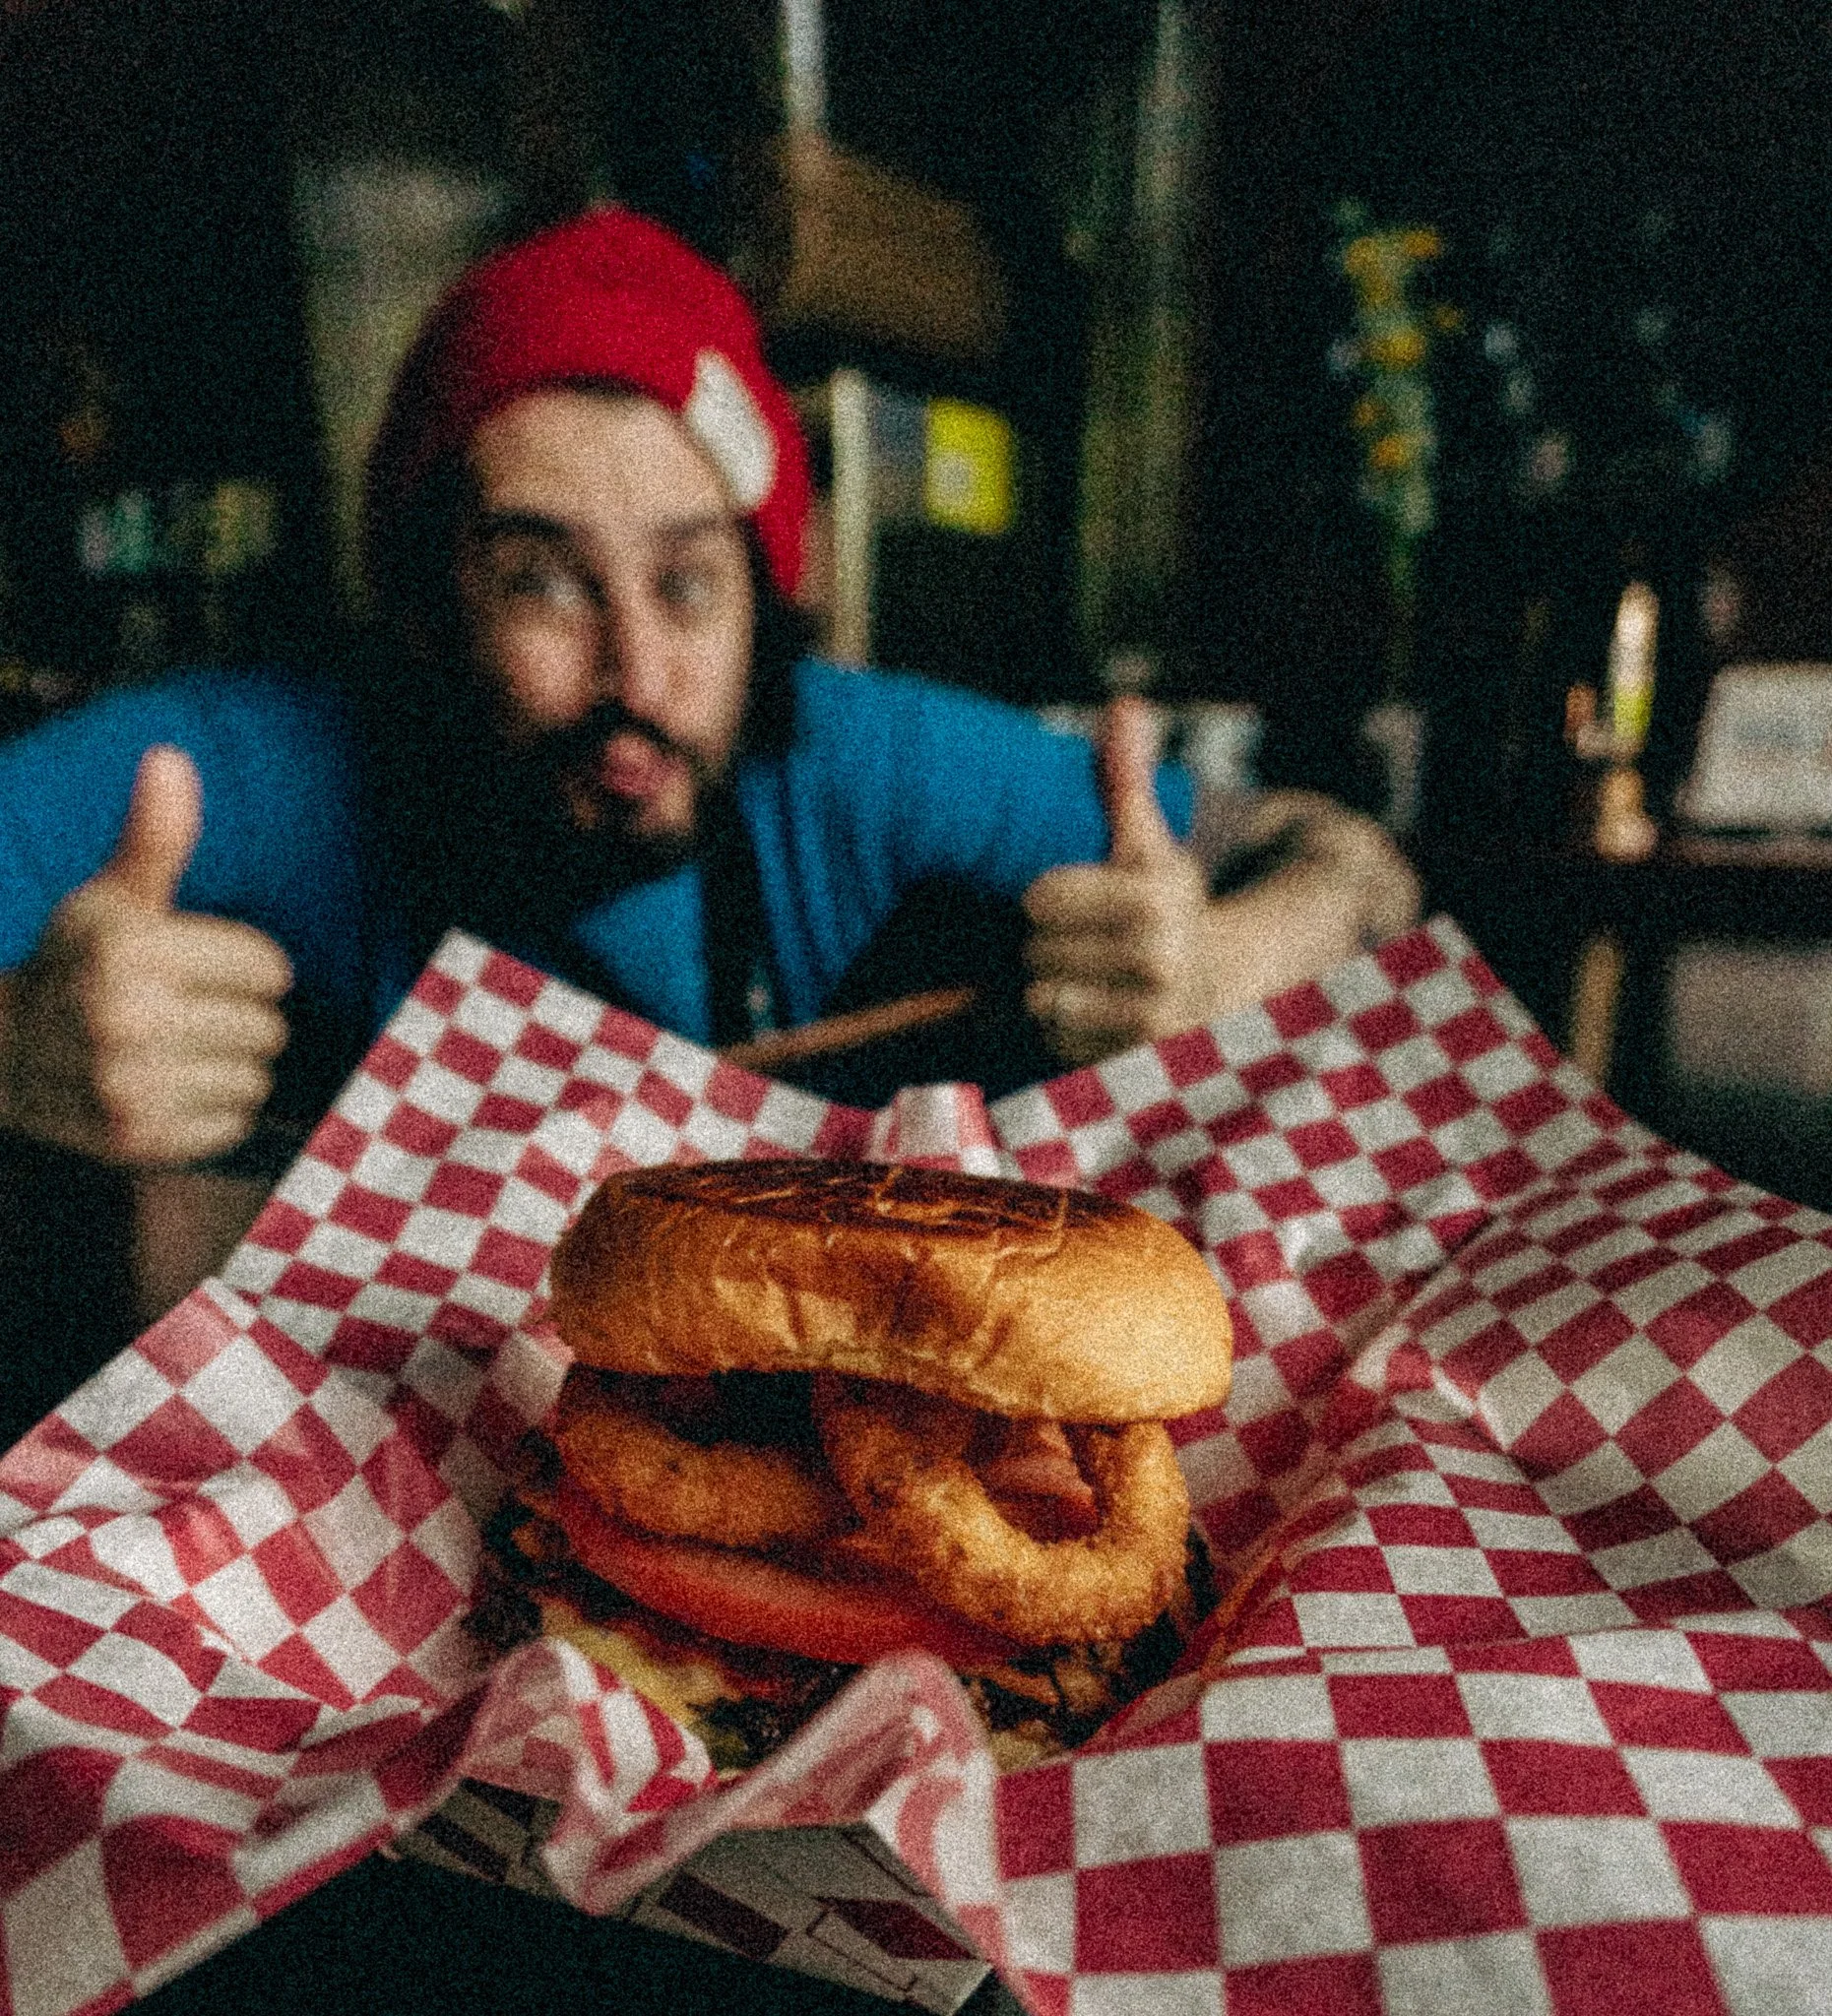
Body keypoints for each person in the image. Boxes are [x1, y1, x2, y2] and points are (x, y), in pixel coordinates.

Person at [0, 206, 1417, 1220]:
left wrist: (1227, 964)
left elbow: (1362, 868)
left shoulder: (855, 758)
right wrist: (18, 1048)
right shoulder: (266, 764)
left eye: (688, 583)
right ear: (430, 605)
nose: (636, 675)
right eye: (541, 580)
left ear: (767, 597)